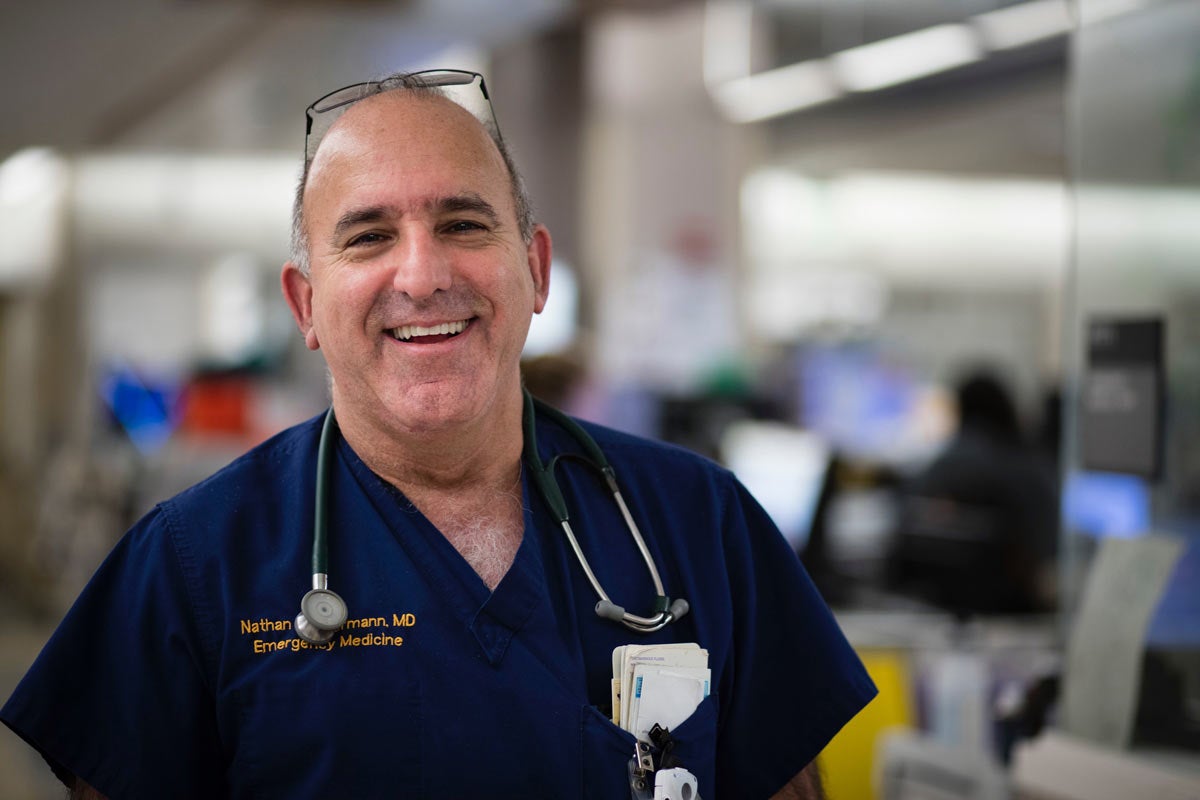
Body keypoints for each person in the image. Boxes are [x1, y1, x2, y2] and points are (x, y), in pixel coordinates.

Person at [1, 70, 875, 799]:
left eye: (462, 224)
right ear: (306, 305)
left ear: (532, 271)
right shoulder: (193, 566)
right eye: (369, 236)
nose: (421, 275)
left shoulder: (699, 523)